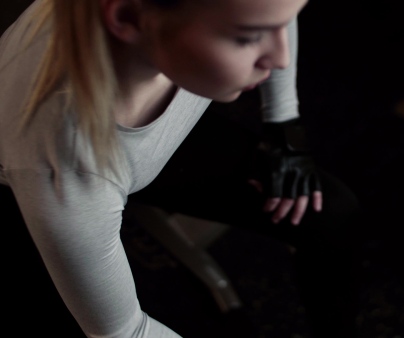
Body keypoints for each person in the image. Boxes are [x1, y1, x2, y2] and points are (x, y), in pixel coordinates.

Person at [0, 0, 362, 337]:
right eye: (249, 37)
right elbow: (125, 331)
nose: (281, 59)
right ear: (128, 19)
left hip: (139, 131)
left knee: (330, 212)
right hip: (57, 182)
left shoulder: (184, 40)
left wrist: (284, 124)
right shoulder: (65, 171)